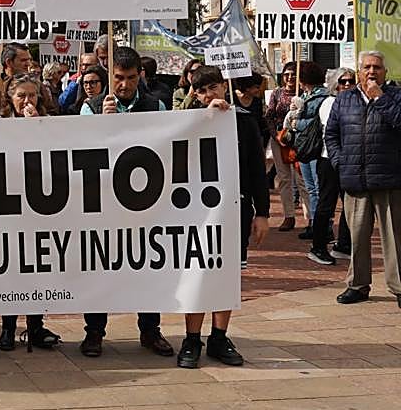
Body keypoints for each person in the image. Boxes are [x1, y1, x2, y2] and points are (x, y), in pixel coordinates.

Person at [78, 46, 173, 359]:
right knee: (100, 267)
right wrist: (102, 125)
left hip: (144, 202)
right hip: (104, 202)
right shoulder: (92, 107)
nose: (123, 85)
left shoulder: (156, 106)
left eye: (130, 78)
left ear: (140, 76)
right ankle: (94, 331)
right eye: (118, 78)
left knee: (148, 266)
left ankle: (150, 329)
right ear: (110, 76)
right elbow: (81, 149)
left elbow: (165, 146)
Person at [175, 65, 270, 368]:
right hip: (196, 212)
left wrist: (263, 213)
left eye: (213, 87)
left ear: (224, 87)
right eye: (200, 90)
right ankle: (192, 338)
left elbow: (256, 170)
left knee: (227, 275)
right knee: (197, 273)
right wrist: (200, 115)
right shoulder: (188, 122)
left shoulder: (244, 123)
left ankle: (219, 336)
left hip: (235, 210)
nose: (208, 95)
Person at [0, 71, 64, 352]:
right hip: (9, 206)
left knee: (36, 268)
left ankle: (35, 326)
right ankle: (8, 328)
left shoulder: (47, 122)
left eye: (31, 95)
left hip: (39, 206)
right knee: (12, 270)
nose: (26, 100)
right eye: (20, 95)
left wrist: (37, 128)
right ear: (9, 98)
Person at [325, 50, 401, 307]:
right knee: (357, 237)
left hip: (389, 179)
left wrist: (380, 99)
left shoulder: (396, 97)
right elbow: (331, 135)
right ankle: (357, 285)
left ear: (385, 72)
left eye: (377, 67)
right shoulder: (344, 100)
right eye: (367, 67)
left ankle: (398, 287)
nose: (372, 72)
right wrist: (340, 162)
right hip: (355, 181)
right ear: (359, 71)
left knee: (393, 237)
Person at [307, 67, 356, 266]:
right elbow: (335, 131)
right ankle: (317, 247)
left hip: (350, 161)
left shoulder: (354, 101)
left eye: (350, 81)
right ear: (335, 84)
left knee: (351, 204)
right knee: (326, 205)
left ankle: (343, 244)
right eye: (342, 81)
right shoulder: (329, 103)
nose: (346, 85)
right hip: (329, 160)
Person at [285, 62, 328, 240]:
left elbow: (315, 124)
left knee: (317, 188)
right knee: (310, 188)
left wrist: (297, 124)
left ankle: (321, 225)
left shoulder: (322, 98)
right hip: (303, 148)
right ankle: (312, 222)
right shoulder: (304, 96)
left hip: (315, 147)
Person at [265, 62, 309, 232]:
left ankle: (310, 218)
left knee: (302, 179)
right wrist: (276, 136)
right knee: (284, 179)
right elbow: (269, 116)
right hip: (280, 140)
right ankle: (289, 216)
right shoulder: (276, 93)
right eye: (286, 75)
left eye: (293, 74)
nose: (290, 78)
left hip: (299, 141)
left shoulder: (304, 93)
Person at [0, 43, 36, 117]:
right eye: (23, 60)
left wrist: (38, 120)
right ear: (9, 62)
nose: (28, 64)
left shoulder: (38, 86)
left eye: (32, 95)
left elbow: (52, 115)